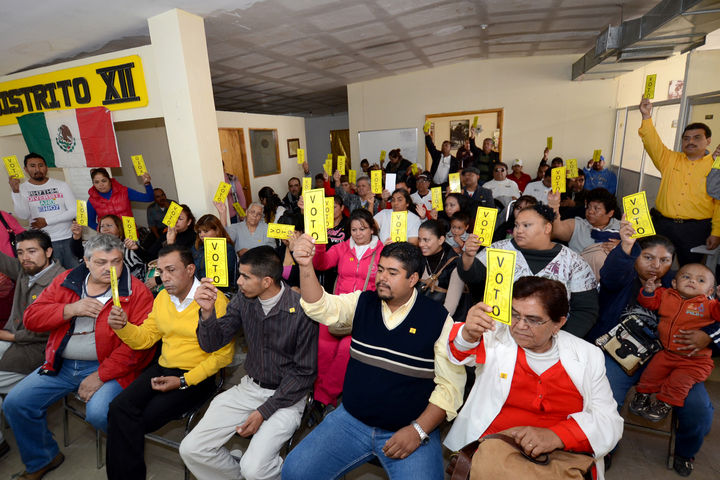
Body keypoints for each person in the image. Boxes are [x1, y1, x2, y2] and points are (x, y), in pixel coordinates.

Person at [282, 240, 466, 479]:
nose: (382, 278)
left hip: (408, 428)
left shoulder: (438, 319)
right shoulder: (363, 302)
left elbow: (450, 387)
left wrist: (418, 430)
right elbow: (320, 307)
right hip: (351, 420)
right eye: (380, 270)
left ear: (413, 279)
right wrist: (306, 265)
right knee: (295, 471)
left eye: (392, 273)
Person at [3, 234, 154, 480]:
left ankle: (127, 447)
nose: (110, 269)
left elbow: (139, 348)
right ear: (86, 261)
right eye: (101, 262)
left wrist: (100, 375)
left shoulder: (136, 291)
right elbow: (31, 318)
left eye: (116, 262)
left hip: (107, 367)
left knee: (99, 413)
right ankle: (44, 458)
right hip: (61, 363)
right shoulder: (67, 280)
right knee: (16, 403)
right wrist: (69, 309)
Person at [444, 277, 622, 480]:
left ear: (559, 323)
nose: (520, 325)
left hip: (562, 459)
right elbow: (459, 351)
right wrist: (468, 333)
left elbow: (609, 422)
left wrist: (558, 436)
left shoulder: (587, 356)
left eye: (533, 320)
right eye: (514, 314)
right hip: (493, 451)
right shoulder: (496, 336)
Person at [588, 223, 717, 476]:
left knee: (698, 409)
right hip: (621, 355)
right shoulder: (622, 278)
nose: (656, 265)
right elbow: (612, 274)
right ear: (636, 256)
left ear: (673, 264)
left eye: (664, 260)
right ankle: (606, 447)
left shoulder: (687, 282)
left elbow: (714, 317)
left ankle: (685, 452)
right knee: (605, 394)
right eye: (648, 257)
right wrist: (626, 247)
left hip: (676, 360)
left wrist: (708, 337)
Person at [179, 246, 318, 480]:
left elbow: (304, 373)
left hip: (287, 397)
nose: (239, 282)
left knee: (254, 468)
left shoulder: (301, 309)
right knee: (191, 449)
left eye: (245, 276)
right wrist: (207, 313)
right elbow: (212, 344)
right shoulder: (244, 300)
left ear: (266, 281)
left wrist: (264, 411)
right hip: (250, 388)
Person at [105, 245, 233, 479]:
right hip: (164, 366)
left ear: (190, 269)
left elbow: (223, 356)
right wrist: (123, 327)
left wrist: (183, 380)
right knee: (118, 408)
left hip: (197, 375)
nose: (164, 277)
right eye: (161, 271)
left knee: (136, 420)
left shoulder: (214, 300)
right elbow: (145, 338)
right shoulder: (163, 297)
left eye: (171, 270)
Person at [458, 204, 598, 337]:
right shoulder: (499, 249)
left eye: (526, 225)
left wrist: (558, 339)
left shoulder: (573, 262)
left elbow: (586, 310)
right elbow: (471, 276)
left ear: (547, 228)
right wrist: (468, 256)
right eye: (516, 225)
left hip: (550, 342)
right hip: (497, 334)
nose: (519, 230)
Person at [310, 208, 384, 416]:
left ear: (372, 229)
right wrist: (320, 243)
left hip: (364, 311)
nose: (358, 233)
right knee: (324, 349)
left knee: (345, 350)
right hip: (337, 307)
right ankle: (319, 396)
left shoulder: (383, 251)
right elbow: (321, 264)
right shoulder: (342, 248)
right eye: (354, 229)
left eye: (363, 229)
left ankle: (323, 397)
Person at [0, 230, 65, 459]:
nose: (25, 257)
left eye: (31, 251)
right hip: (13, 338)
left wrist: (10, 337)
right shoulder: (26, 270)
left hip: (40, 349)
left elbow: (46, 332)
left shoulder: (60, 280)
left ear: (48, 252)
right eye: (20, 252)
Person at [627, 263, 717, 423]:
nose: (692, 281)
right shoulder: (666, 295)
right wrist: (648, 292)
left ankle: (664, 403)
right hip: (667, 353)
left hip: (694, 361)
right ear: (674, 283)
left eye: (701, 280)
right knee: (650, 374)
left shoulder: (709, 306)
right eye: (686, 277)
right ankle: (642, 395)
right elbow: (649, 303)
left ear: (710, 292)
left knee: (678, 383)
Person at [639, 97, 720, 265]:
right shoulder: (669, 159)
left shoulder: (715, 165)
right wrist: (646, 116)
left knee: (690, 269)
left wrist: (716, 232)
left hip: (695, 229)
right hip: (663, 225)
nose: (690, 142)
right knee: (655, 265)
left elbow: (718, 202)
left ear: (708, 141)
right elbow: (652, 143)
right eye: (686, 138)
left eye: (697, 137)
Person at [9, 152, 77, 269]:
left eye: (41, 165)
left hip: (68, 238)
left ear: (46, 167)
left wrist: (47, 221)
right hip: (42, 242)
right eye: (32, 166)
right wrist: (16, 192)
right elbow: (23, 215)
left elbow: (74, 211)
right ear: (26, 169)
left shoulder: (61, 185)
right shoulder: (22, 189)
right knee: (52, 277)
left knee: (74, 274)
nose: (37, 169)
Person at [547, 188, 621, 279]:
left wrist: (623, 246)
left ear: (610, 213)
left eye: (596, 209)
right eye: (588, 207)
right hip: (581, 277)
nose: (590, 211)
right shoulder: (577, 225)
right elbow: (557, 230)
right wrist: (554, 205)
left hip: (613, 278)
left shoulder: (621, 227)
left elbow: (634, 246)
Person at [71, 214, 147, 281]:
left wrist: (136, 249)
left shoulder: (129, 245)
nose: (105, 229)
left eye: (109, 226)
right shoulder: (95, 245)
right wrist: (77, 237)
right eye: (102, 226)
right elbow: (79, 253)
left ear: (119, 228)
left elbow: (147, 259)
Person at [418, 220, 466, 318]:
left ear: (441, 240)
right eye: (419, 239)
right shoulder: (418, 257)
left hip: (441, 320)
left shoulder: (455, 265)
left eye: (426, 240)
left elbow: (449, 309)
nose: (421, 244)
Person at [86, 167, 154, 229]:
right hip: (109, 236)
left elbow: (149, 198)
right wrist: (103, 230)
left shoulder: (124, 191)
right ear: (93, 184)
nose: (101, 185)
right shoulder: (92, 200)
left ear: (109, 180)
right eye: (96, 182)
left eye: (104, 181)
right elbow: (90, 222)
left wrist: (147, 184)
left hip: (130, 232)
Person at [192, 214, 238, 293]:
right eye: (199, 232)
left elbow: (227, 277)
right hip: (199, 290)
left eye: (205, 231)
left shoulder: (227, 248)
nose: (202, 235)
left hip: (221, 292)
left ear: (217, 231)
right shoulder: (196, 248)